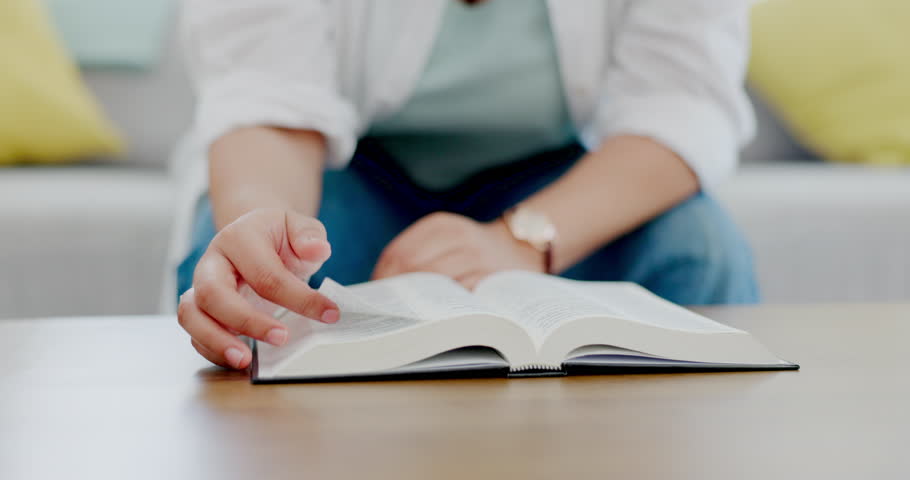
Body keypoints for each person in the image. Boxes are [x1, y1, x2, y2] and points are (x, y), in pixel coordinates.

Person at [175, 0, 758, 370]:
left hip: (558, 178)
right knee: (239, 282)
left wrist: (521, 240)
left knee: (698, 248)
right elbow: (265, 95)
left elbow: (682, 101)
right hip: (350, 171)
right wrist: (260, 222)